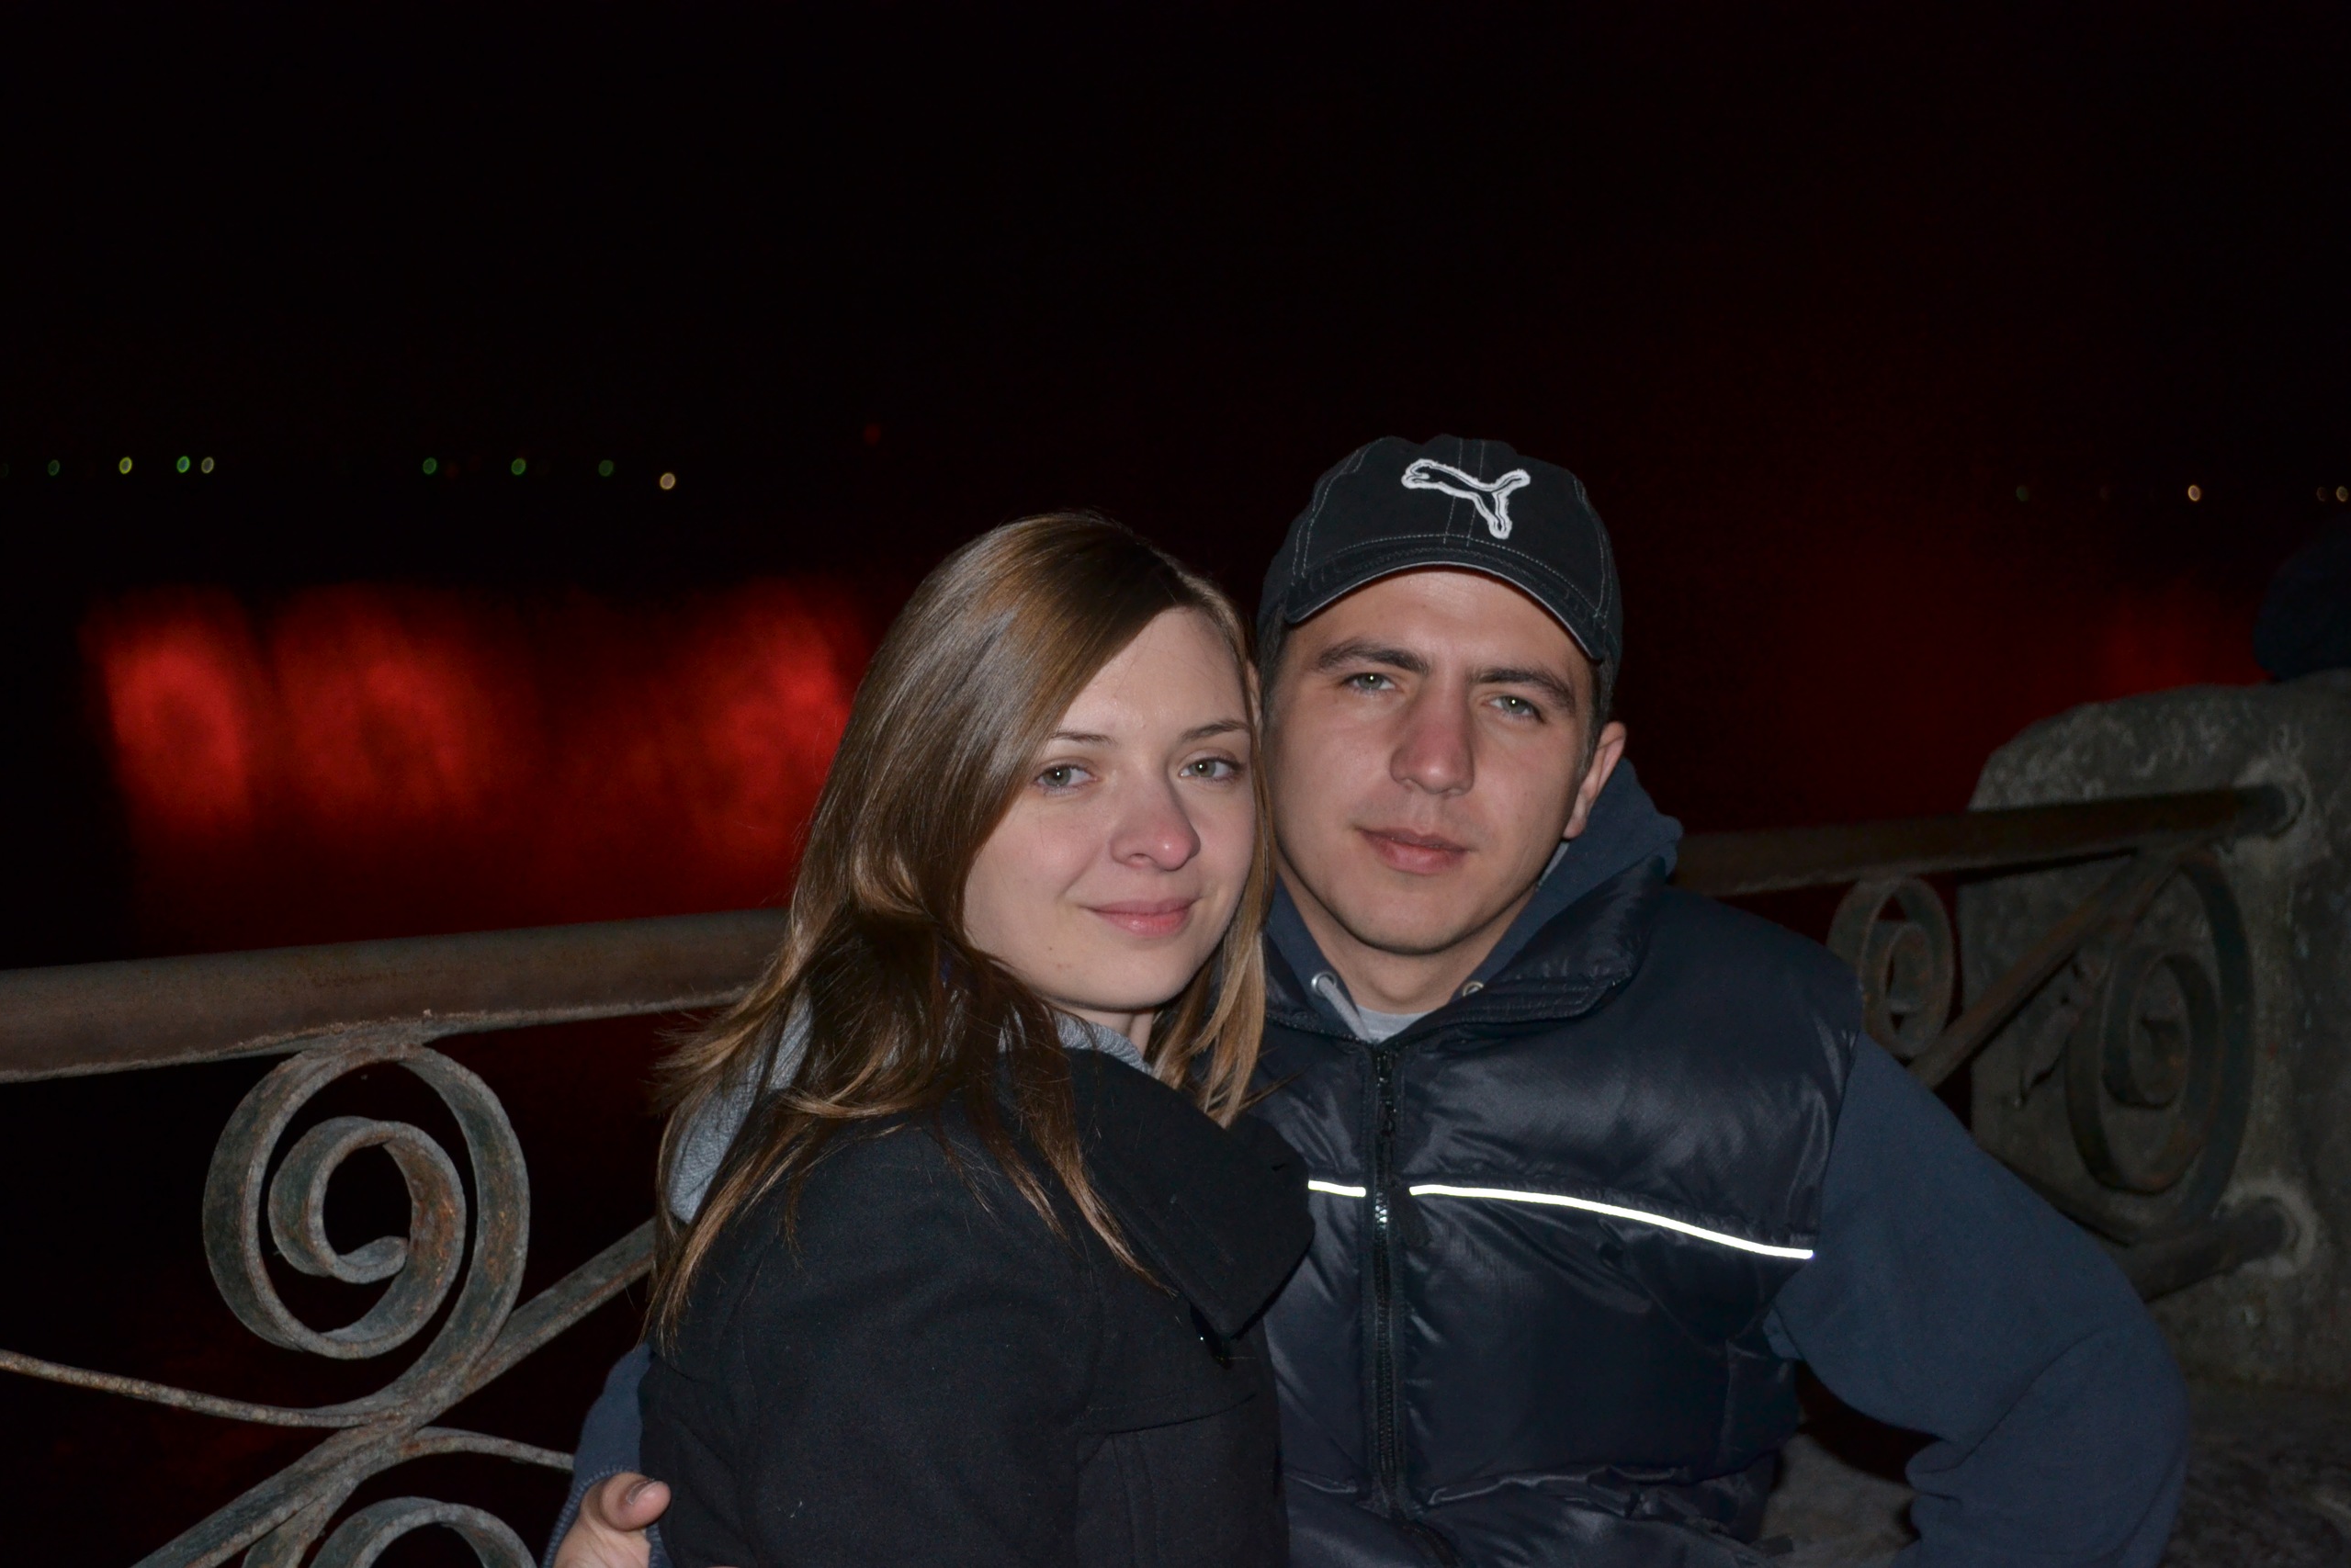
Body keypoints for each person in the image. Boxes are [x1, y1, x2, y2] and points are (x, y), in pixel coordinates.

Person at [554, 436, 2188, 1568]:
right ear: (1259, 712)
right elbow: (837, 1252)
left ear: (1592, 774)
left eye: (1516, 701)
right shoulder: (1142, 997)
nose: (1435, 760)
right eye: (1372, 675)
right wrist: (626, 1488)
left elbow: (2074, 1381)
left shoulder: (1756, 1050)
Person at [632, 513, 1312, 1567]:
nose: (1167, 837)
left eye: (1209, 764)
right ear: (928, 810)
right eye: (1065, 774)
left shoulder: (1053, 1131)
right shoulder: (916, 1217)